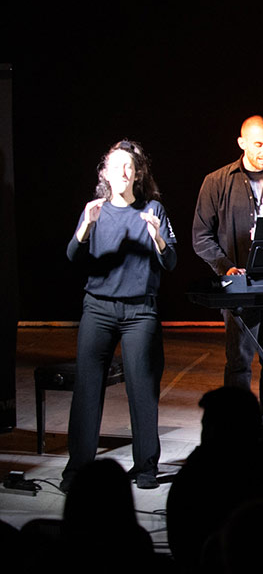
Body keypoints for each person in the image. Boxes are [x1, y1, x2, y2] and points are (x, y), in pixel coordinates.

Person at [63, 140, 176, 491]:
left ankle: (146, 468)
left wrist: (157, 238)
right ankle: (77, 469)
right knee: (87, 388)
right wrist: (86, 226)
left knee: (142, 390)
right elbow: (72, 256)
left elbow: (171, 262)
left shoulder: (153, 210)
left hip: (140, 311)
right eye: (116, 167)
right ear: (105, 174)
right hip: (98, 308)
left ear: (138, 174)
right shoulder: (95, 210)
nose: (123, 172)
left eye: (129, 167)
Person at [193, 115, 263, 447]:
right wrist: (226, 267)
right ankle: (237, 438)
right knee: (239, 363)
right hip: (240, 289)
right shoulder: (217, 181)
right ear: (242, 143)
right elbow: (201, 236)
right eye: (258, 144)